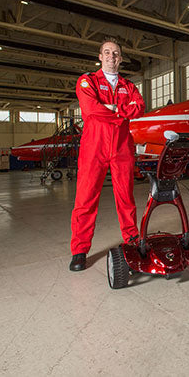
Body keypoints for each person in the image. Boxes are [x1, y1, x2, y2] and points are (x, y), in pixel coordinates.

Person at [69, 38, 146, 271]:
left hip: (122, 148)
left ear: (120, 58)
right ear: (100, 57)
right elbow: (91, 110)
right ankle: (79, 251)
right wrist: (122, 112)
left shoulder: (128, 86)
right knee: (85, 200)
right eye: (107, 52)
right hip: (94, 148)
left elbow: (140, 108)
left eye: (116, 53)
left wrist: (112, 109)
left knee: (126, 198)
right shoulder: (87, 81)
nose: (112, 56)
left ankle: (131, 239)